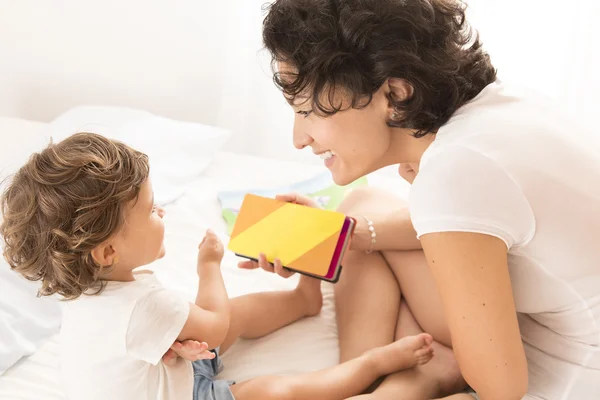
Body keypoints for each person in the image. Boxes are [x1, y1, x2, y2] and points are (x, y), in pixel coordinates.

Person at [240, 0, 600, 399]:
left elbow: (501, 388)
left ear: (393, 93)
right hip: (551, 323)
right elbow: (474, 225)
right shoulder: (498, 107)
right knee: (360, 209)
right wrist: (345, 238)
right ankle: (376, 371)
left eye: (309, 111)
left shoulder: (454, 172)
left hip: (566, 371)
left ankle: (372, 381)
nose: (299, 138)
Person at [0, 132, 435, 400]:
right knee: (271, 389)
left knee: (235, 317)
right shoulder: (145, 307)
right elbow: (213, 324)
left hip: (164, 371)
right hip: (187, 393)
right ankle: (372, 366)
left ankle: (304, 300)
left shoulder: (89, 295)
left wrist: (182, 341)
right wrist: (209, 267)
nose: (163, 216)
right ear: (107, 252)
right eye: (152, 211)